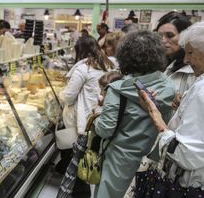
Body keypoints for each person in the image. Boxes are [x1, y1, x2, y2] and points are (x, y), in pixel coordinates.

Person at [93, 31, 175, 198]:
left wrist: (97, 114)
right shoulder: (169, 86)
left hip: (120, 161)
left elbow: (105, 129)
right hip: (153, 160)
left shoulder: (118, 90)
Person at [138, 22, 204, 192]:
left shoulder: (201, 90)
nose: (186, 60)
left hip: (190, 185)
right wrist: (183, 109)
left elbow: (186, 154)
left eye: (190, 53)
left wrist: (156, 117)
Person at [56, 36, 115, 197]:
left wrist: (59, 93)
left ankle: (77, 192)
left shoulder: (83, 68)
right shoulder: (109, 65)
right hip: (98, 119)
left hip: (81, 124)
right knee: (89, 160)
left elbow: (68, 96)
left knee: (77, 162)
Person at [155, 11, 196, 95]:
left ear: (185, 36)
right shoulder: (157, 64)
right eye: (159, 36)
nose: (163, 41)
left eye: (170, 35)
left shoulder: (194, 68)